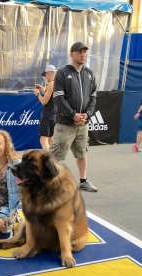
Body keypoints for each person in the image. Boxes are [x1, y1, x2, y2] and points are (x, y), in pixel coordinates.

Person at [50, 42, 98, 192]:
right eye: (79, 52)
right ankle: (50, 183)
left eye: (85, 52)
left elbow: (93, 98)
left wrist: (87, 114)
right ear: (71, 54)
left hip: (82, 124)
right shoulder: (63, 73)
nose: (83, 55)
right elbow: (58, 98)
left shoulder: (90, 74)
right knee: (56, 155)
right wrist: (73, 114)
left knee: (81, 153)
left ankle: (83, 181)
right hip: (65, 124)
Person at [34, 64, 56, 151]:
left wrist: (38, 94)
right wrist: (42, 89)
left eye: (46, 74)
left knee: (43, 139)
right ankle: (52, 159)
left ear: (49, 73)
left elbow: (44, 101)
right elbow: (51, 96)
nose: (45, 77)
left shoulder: (51, 84)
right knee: (50, 139)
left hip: (47, 115)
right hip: (54, 115)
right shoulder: (57, 83)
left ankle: (48, 160)